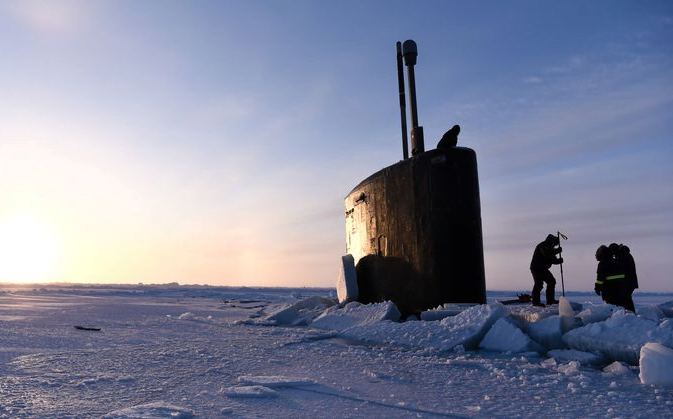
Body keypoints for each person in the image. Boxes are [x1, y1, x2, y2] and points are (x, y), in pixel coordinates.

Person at [594, 244, 632, 311]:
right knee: (621, 306)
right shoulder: (616, 261)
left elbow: (600, 278)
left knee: (613, 306)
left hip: (609, 289)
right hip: (621, 288)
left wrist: (597, 288)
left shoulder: (602, 264)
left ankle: (615, 320)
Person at [530, 234, 563, 306]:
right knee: (538, 284)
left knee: (551, 281)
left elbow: (552, 260)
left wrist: (559, 261)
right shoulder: (542, 245)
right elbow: (546, 255)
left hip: (543, 269)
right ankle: (536, 303)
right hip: (536, 268)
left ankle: (550, 301)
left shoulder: (551, 248)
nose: (555, 246)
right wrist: (557, 251)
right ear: (552, 241)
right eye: (555, 244)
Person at [618, 244, 638, 311]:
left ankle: (630, 313)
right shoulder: (626, 255)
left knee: (626, 298)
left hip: (628, 282)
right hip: (630, 282)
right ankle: (630, 312)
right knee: (626, 298)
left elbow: (624, 269)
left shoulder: (624, 256)